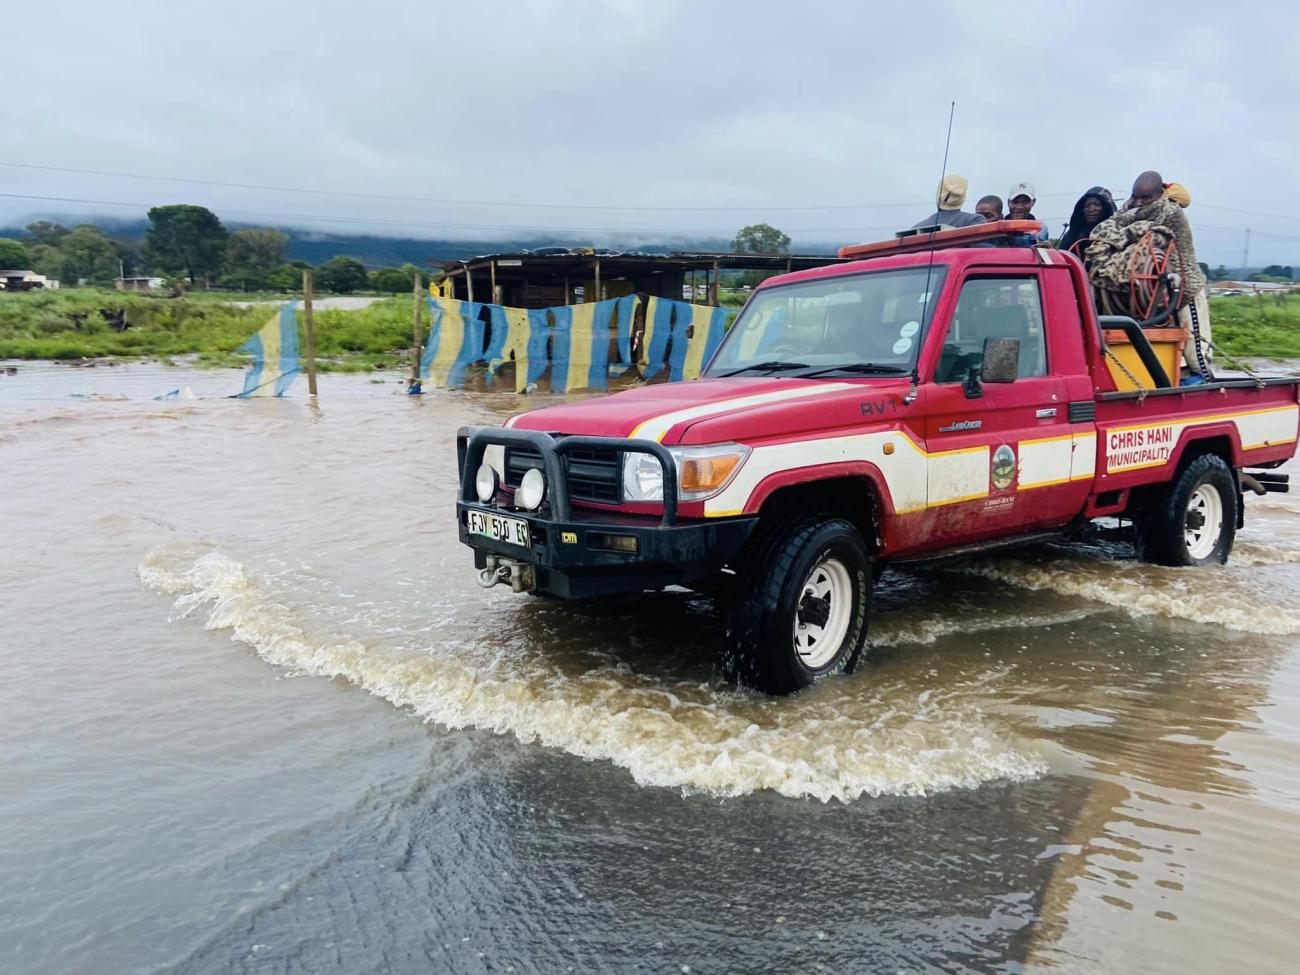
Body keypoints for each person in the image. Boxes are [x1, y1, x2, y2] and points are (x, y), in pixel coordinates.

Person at [1116, 170, 1211, 373]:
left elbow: (1143, 230)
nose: (1140, 202)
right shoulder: (1127, 211)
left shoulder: (1170, 213)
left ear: (1160, 193)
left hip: (1185, 286)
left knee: (1196, 350)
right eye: (1136, 196)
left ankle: (1202, 380)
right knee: (1165, 345)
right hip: (1155, 291)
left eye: (1146, 197)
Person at [910, 175, 987, 230]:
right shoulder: (975, 221)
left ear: (938, 194)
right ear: (963, 198)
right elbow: (985, 250)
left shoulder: (916, 229)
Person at [1058, 186, 1117, 255]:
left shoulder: (1117, 232)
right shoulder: (1072, 235)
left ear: (1106, 208)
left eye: (1097, 205)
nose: (1091, 209)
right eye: (1086, 206)